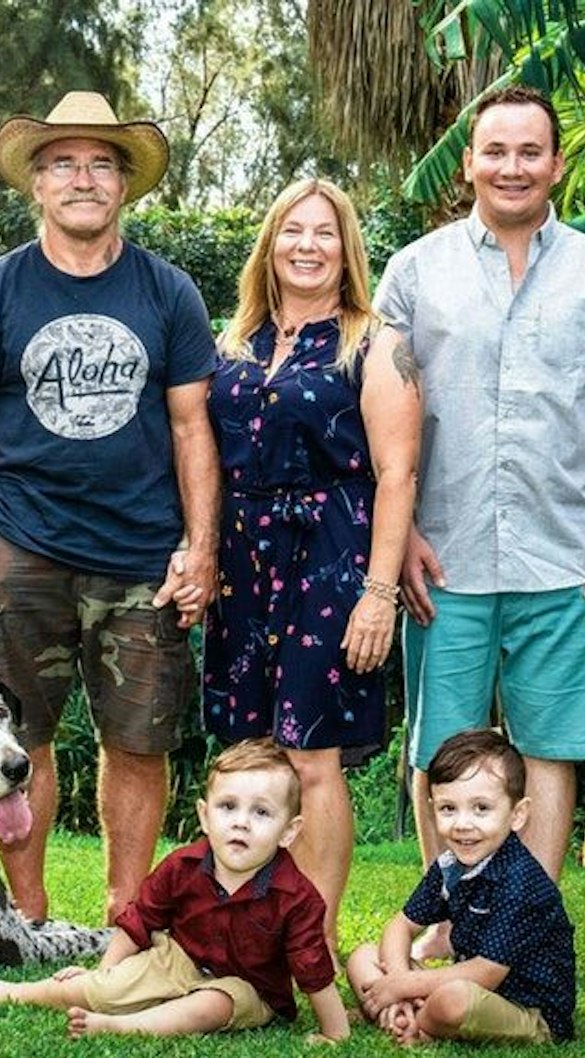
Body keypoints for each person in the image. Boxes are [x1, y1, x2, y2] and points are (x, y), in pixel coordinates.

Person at [0, 91, 219, 922]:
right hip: (23, 548)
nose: (83, 178)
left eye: (101, 163)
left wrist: (200, 546)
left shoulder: (168, 293)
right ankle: (26, 915)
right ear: (38, 184)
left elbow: (192, 424)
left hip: (141, 556)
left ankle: (126, 917)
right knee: (13, 740)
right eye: (64, 163)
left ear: (124, 185)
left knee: (138, 740)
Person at [375, 84, 585, 893]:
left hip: (569, 553)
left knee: (552, 745)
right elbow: (387, 414)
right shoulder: (414, 272)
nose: (512, 167)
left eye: (530, 151)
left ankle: (534, 923)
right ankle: (445, 915)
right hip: (444, 555)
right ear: (468, 164)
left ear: (557, 164)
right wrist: (404, 536)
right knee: (441, 749)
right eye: (495, 150)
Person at [202, 177, 421, 952]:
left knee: (310, 752)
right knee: (248, 752)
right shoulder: (233, 344)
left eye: (324, 232)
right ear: (269, 245)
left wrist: (378, 593)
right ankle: (245, 929)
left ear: (346, 249)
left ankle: (311, 943)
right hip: (242, 560)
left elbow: (396, 473)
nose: (306, 245)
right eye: (292, 231)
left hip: (329, 556)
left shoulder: (375, 341)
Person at [0, 739, 349, 1042]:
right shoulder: (183, 866)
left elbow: (312, 968)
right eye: (228, 807)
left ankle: (120, 1027)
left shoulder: (296, 898)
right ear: (204, 816)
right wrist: (107, 970)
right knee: (107, 988)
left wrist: (335, 1033)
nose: (241, 823)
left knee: (212, 1004)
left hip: (249, 988)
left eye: (261, 813)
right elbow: (139, 922)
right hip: (178, 957)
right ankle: (18, 992)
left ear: (289, 831)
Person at [347, 729, 576, 1044]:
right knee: (364, 956)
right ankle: (403, 1011)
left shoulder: (521, 881)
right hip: (471, 987)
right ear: (433, 808)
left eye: (481, 808)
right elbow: (400, 926)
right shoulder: (450, 866)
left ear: (517, 814)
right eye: (448, 809)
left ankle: (414, 1024)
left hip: (526, 1010)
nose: (463, 823)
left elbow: (487, 972)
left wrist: (401, 986)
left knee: (452, 1001)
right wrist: (400, 980)